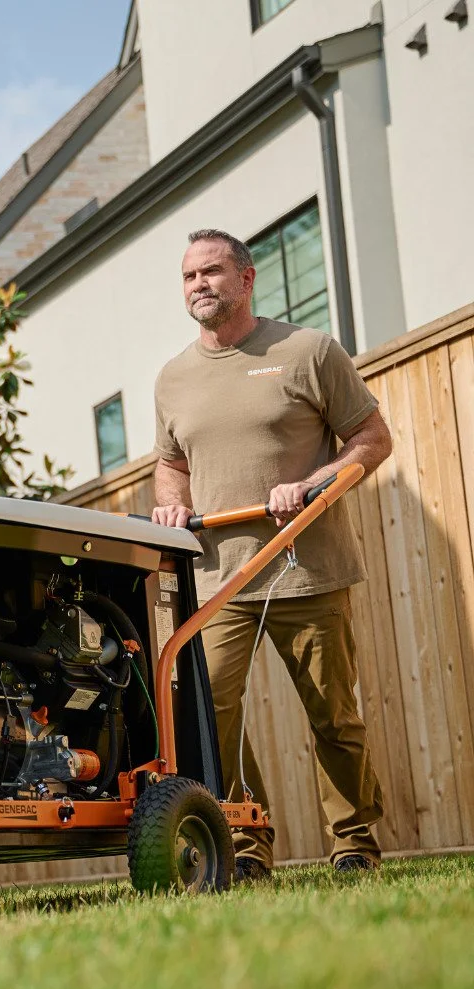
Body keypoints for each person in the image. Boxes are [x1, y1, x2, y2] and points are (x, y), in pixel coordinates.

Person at [151, 228, 392, 882]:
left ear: (247, 277)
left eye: (212, 271)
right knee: (210, 725)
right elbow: (171, 464)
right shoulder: (173, 378)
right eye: (188, 276)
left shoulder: (307, 351)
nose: (199, 284)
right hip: (218, 585)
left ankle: (354, 842)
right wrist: (171, 503)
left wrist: (314, 483)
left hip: (306, 570)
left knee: (334, 719)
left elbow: (372, 439)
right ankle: (244, 843)